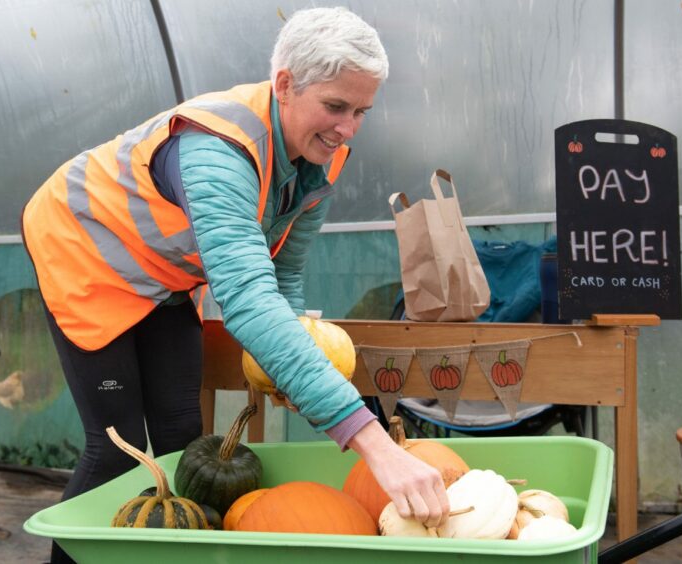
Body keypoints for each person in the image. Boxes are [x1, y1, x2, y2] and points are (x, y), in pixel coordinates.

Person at [22, 7, 448, 561]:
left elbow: (284, 275)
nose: (347, 129)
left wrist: (290, 367)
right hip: (85, 252)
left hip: (166, 272)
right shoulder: (217, 151)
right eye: (336, 106)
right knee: (117, 451)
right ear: (286, 85)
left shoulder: (324, 153)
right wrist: (371, 442)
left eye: (362, 110)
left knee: (181, 435)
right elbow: (246, 299)